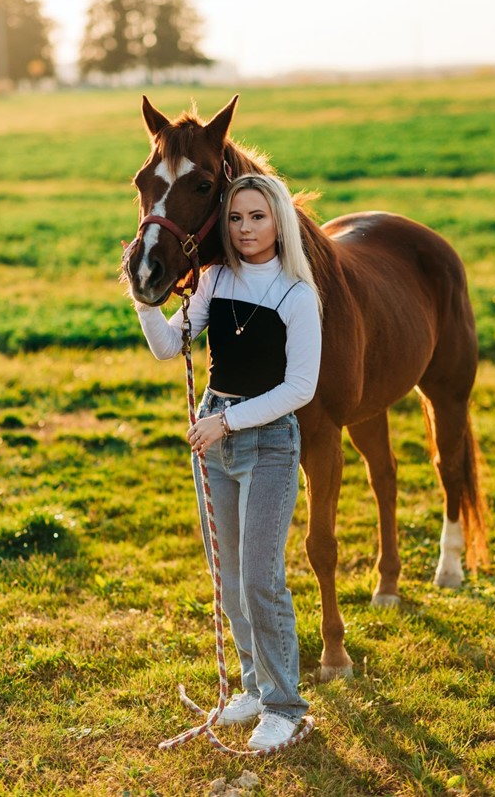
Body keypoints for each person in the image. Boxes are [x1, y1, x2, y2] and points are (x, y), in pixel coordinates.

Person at [133, 174, 322, 750]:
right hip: (214, 440)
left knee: (262, 580)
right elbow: (171, 346)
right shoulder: (215, 279)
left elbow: (301, 388)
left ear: (279, 221)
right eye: (236, 218)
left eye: (257, 217)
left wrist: (228, 422)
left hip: (267, 443)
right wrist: (144, 295)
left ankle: (285, 707)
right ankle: (253, 686)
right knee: (231, 576)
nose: (245, 229)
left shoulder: (297, 294)